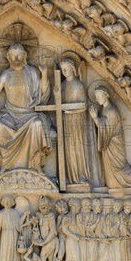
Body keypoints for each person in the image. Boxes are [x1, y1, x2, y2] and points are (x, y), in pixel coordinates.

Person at [0, 43, 52, 173]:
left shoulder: (32, 72)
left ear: (24, 56)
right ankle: (5, 165)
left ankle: (35, 165)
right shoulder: (6, 75)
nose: (16, 59)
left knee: (37, 124)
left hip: (29, 114)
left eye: (19, 56)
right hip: (10, 114)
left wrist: (44, 74)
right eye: (13, 56)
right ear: (8, 57)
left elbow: (43, 92)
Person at [89, 86, 131, 188]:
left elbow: (107, 130)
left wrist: (95, 118)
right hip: (109, 146)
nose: (97, 99)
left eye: (99, 96)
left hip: (114, 144)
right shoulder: (104, 109)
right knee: (112, 177)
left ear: (106, 95)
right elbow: (104, 127)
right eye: (96, 97)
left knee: (118, 171)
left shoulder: (111, 111)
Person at [59, 55, 91, 184]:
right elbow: (57, 103)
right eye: (62, 69)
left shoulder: (78, 85)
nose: (65, 71)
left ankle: (81, 177)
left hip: (77, 122)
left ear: (73, 69)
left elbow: (83, 106)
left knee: (78, 148)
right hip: (66, 122)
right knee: (68, 151)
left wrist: (69, 111)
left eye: (67, 68)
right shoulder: (61, 85)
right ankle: (70, 178)